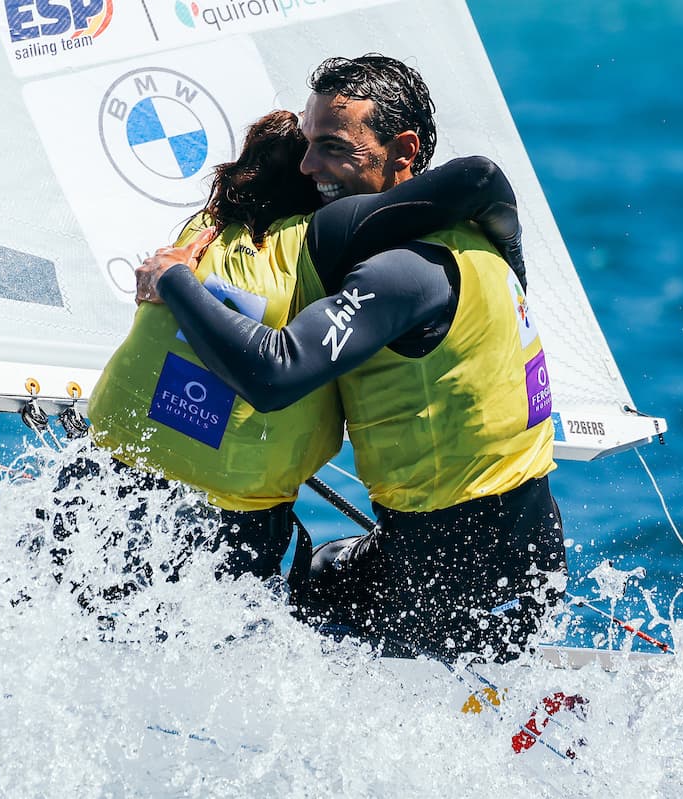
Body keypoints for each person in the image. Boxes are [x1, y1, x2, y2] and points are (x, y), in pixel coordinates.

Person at [134, 55, 567, 662]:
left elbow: (274, 373)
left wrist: (174, 280)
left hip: (448, 572)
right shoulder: (475, 234)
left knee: (287, 603)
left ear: (403, 152)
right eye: (308, 143)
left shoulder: (401, 271)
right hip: (529, 550)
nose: (308, 166)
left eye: (333, 148)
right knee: (328, 566)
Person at [78, 108, 531, 601]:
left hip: (97, 484)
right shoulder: (323, 235)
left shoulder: (196, 234)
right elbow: (477, 178)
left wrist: (169, 275)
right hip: (237, 521)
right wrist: (514, 270)